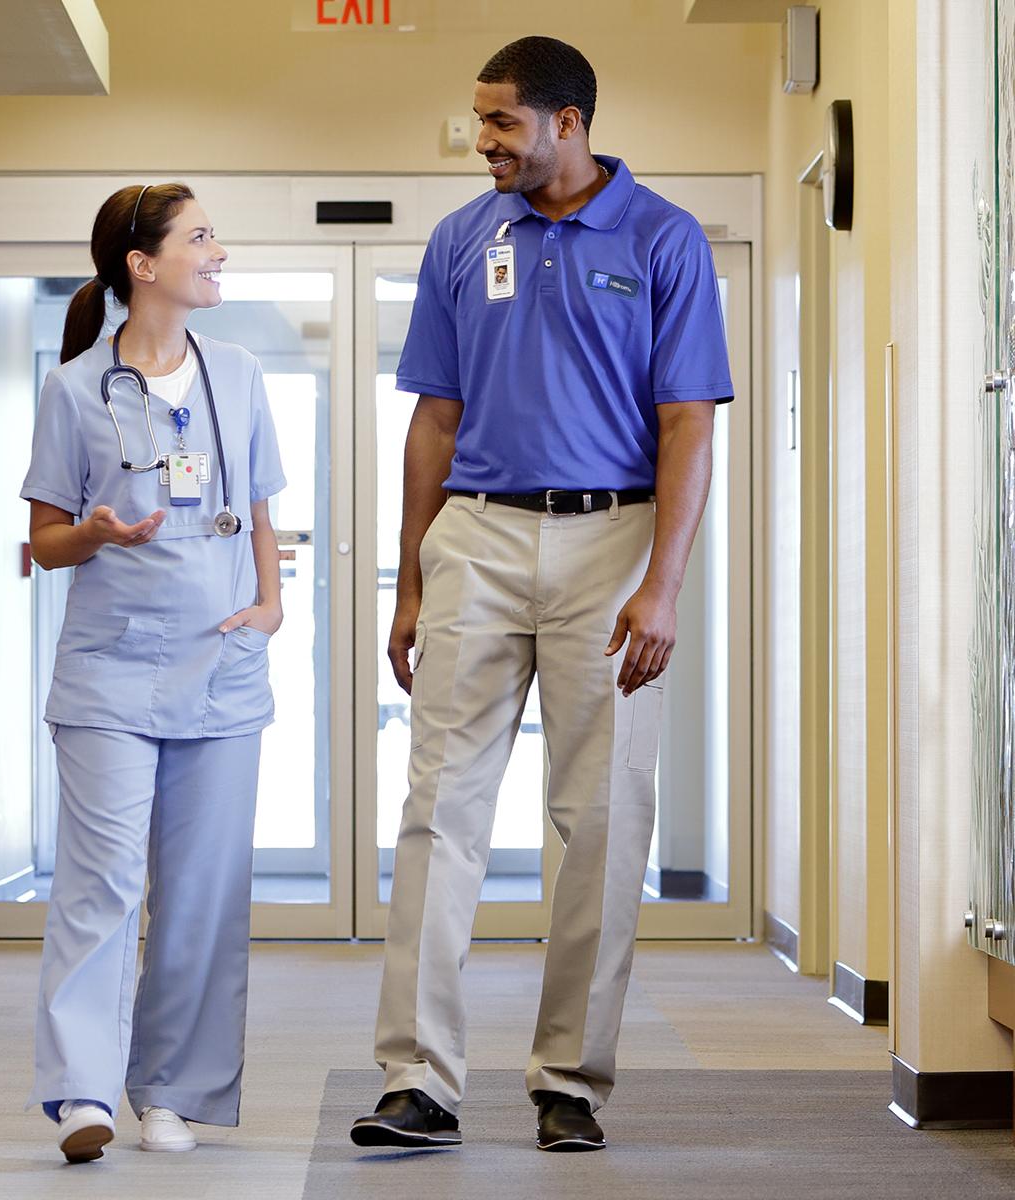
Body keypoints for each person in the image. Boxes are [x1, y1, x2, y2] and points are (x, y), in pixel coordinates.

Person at [350, 37, 733, 1153]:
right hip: (476, 535)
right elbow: (433, 416)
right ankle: (418, 1078)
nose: (485, 143)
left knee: (602, 822)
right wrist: (413, 573)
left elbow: (688, 423)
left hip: (613, 545)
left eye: (503, 122)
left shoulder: (662, 239)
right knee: (439, 811)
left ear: (569, 123)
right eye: (480, 121)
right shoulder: (464, 240)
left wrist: (663, 585)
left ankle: (569, 1080)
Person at [20, 182, 286, 1163]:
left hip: (220, 665)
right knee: (101, 887)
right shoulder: (74, 389)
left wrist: (270, 605)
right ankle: (83, 1092)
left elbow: (259, 512)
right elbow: (42, 540)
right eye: (202, 237)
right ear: (143, 264)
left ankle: (169, 1089)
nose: (219, 252)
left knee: (203, 894)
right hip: (110, 674)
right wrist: (88, 529)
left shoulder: (241, 372)